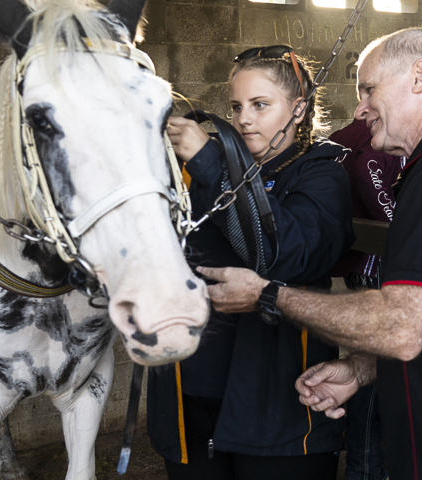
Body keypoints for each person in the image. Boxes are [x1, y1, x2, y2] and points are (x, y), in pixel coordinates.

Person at [200, 28, 422, 479]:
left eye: (369, 89)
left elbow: (401, 327)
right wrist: (361, 369)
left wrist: (267, 295)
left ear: (419, 77)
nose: (360, 109)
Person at [147, 45, 354, 480]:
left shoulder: (320, 173)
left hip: (276, 408)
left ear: (298, 109)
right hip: (189, 398)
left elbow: (286, 254)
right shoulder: (202, 173)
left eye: (260, 105)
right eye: (237, 106)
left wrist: (210, 164)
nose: (244, 119)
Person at [329, 119, 404, 480]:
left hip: (358, 262)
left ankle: (364, 466)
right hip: (377, 265)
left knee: (367, 364)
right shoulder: (385, 130)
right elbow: (367, 169)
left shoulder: (344, 133)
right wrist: (400, 229)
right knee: (378, 369)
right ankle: (364, 469)